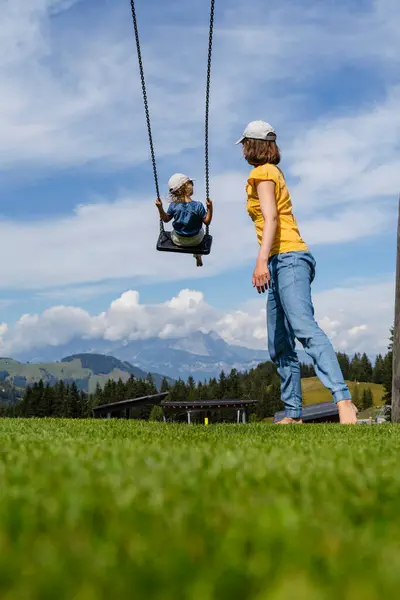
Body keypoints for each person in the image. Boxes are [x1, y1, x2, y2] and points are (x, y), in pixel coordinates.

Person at [236, 120, 358, 424]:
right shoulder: (269, 172)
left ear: (253, 145)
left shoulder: (262, 173)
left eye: (244, 144)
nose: (242, 150)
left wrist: (260, 261)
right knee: (279, 343)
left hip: (288, 258)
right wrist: (268, 260)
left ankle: (344, 401)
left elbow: (272, 218)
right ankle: (293, 413)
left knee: (304, 328)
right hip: (281, 260)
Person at [156, 173, 213, 267]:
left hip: (177, 240)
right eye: (191, 183)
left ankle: (195, 251)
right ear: (186, 187)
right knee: (200, 230)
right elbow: (207, 222)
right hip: (196, 241)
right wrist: (210, 208)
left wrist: (160, 208)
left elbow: (165, 219)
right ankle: (198, 255)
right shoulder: (198, 206)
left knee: (177, 230)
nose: (193, 185)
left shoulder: (173, 205)